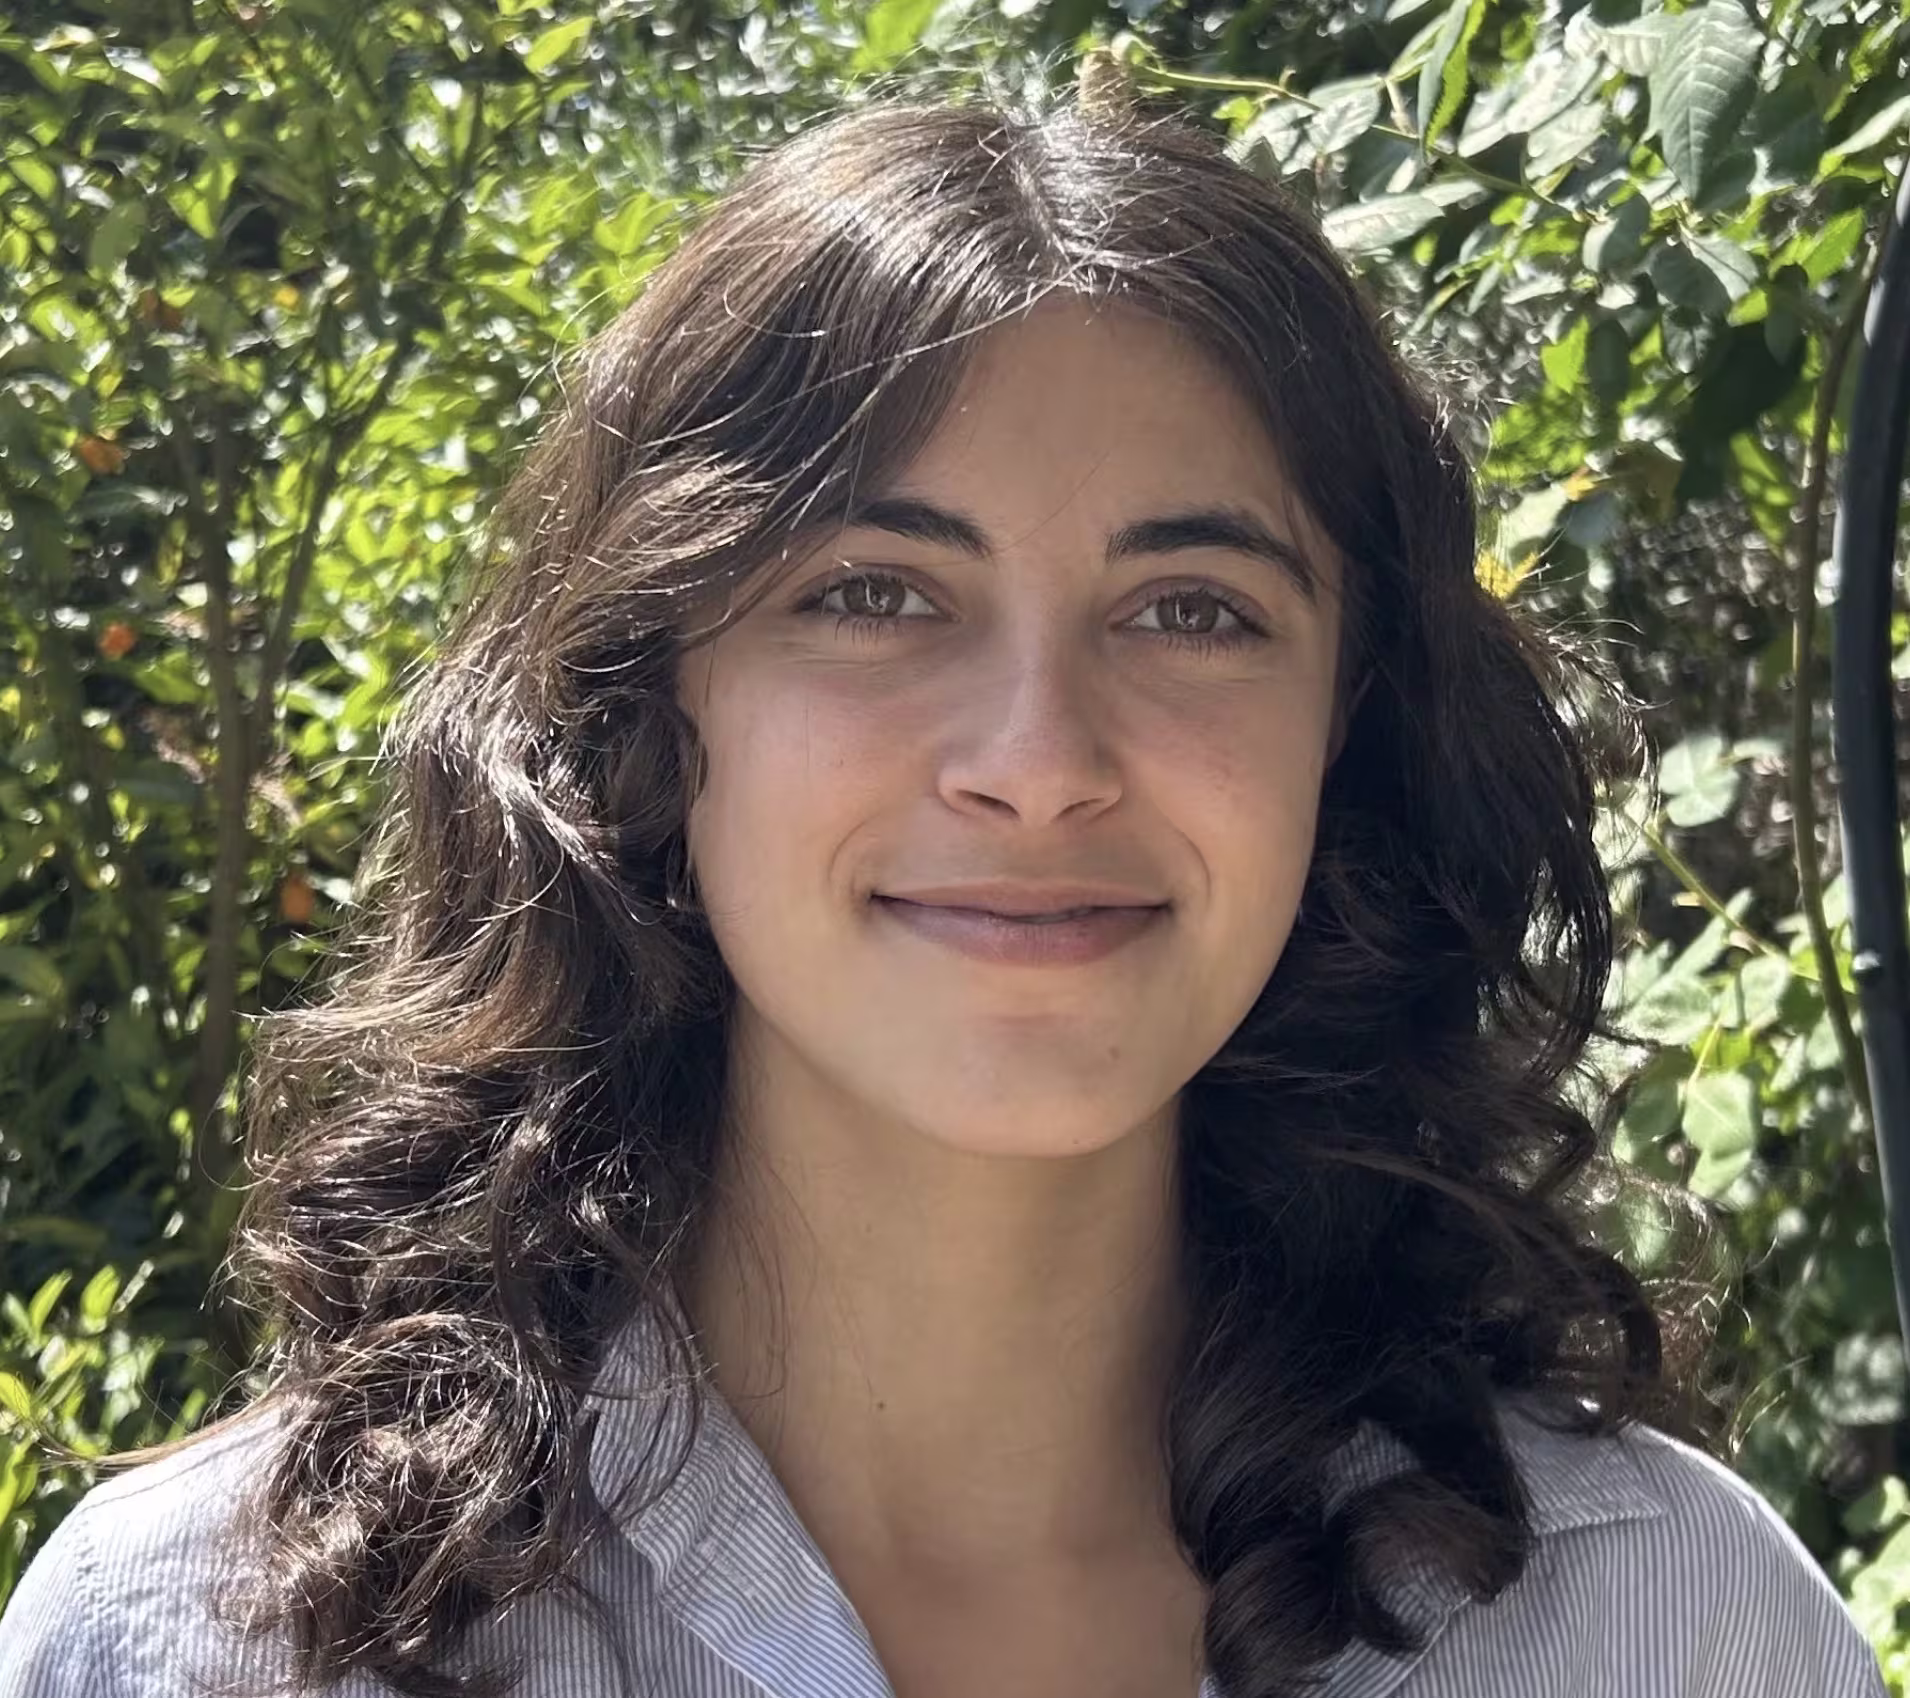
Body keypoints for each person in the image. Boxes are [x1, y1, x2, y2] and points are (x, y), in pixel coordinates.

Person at [0, 76, 1888, 1698]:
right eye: (875, 593)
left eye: (1192, 610)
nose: (1039, 754)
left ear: (1349, 731)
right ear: (646, 705)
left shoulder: (1664, 1622)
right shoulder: (218, 1639)